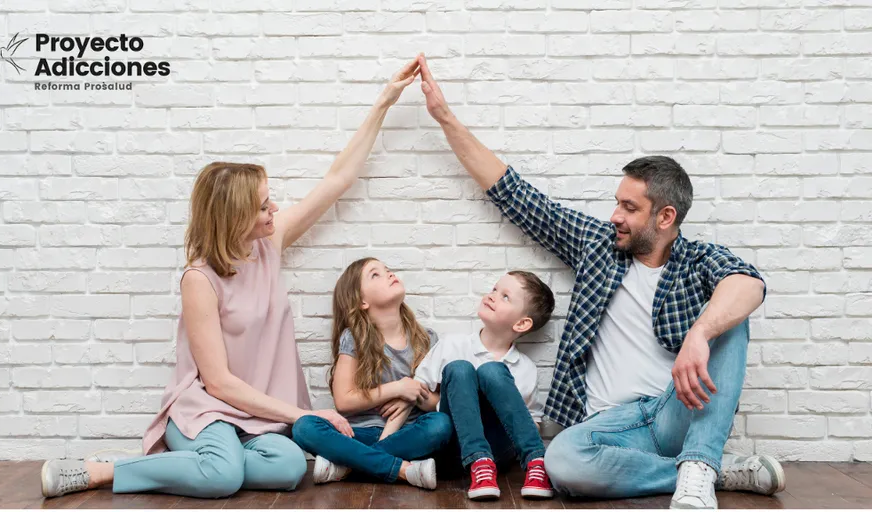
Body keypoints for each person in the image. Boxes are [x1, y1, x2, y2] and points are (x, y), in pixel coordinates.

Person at [38, 57, 423, 500]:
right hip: (210, 411)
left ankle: (209, 464)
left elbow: (336, 179)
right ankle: (106, 470)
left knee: (289, 466)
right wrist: (301, 415)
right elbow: (217, 382)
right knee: (223, 477)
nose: (273, 210)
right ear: (234, 216)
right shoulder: (199, 279)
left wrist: (383, 103)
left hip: (261, 416)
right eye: (262, 206)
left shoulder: (269, 244)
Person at [415, 53, 786, 509]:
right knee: (563, 462)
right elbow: (516, 194)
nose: (615, 216)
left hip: (675, 412)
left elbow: (749, 283)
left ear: (665, 217)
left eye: (630, 208)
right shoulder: (597, 245)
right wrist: (445, 118)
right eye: (617, 203)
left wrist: (701, 333)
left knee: (732, 317)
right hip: (609, 426)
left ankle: (698, 463)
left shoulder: (697, 260)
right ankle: (707, 470)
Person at [291, 258, 454, 490]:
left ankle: (348, 467)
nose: (389, 274)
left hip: (407, 435)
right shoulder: (354, 338)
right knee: (304, 426)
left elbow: (438, 403)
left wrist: (415, 393)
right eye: (375, 275)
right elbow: (344, 401)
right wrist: (397, 388)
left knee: (440, 424)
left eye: (387, 269)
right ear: (362, 301)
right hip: (361, 434)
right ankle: (403, 470)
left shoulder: (427, 339)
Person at [414, 271, 556, 501]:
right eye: (494, 289)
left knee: (492, 371)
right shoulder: (452, 345)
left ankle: (536, 463)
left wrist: (508, 412)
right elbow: (418, 391)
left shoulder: (525, 368)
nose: (492, 296)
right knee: (460, 368)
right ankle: (478, 461)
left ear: (521, 323)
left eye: (505, 297)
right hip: (454, 449)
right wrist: (456, 403)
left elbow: (534, 422)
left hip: (499, 452)